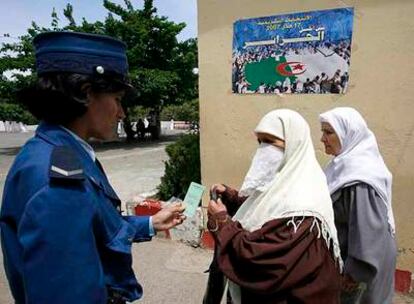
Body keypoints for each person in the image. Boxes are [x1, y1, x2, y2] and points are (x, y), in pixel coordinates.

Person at [0, 31, 185, 304]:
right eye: (117, 99)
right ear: (86, 93)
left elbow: (94, 228)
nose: (122, 113)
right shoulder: (56, 181)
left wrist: (149, 223)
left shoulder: (62, 151)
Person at [206, 109, 342, 304]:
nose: (263, 149)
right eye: (260, 142)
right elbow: (266, 209)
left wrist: (222, 223)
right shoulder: (286, 181)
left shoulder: (303, 204)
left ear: (293, 145)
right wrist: (231, 197)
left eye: (270, 142)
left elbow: (262, 258)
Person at [319, 107, 396, 303]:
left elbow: (369, 231)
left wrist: (355, 273)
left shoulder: (360, 176)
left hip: (364, 265)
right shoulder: (342, 166)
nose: (322, 139)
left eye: (328, 132)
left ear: (348, 135)